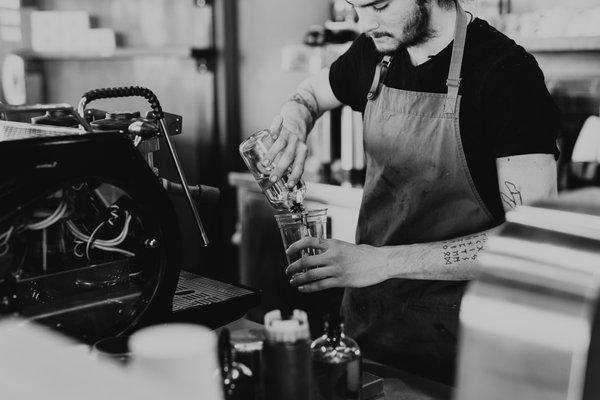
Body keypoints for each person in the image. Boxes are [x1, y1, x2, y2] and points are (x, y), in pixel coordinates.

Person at [263, 0, 560, 385]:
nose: (364, 22)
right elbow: (311, 93)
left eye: (380, 5)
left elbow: (532, 241)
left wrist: (380, 263)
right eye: (356, 6)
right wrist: (295, 120)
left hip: (462, 351)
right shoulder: (375, 52)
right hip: (369, 335)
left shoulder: (506, 73)